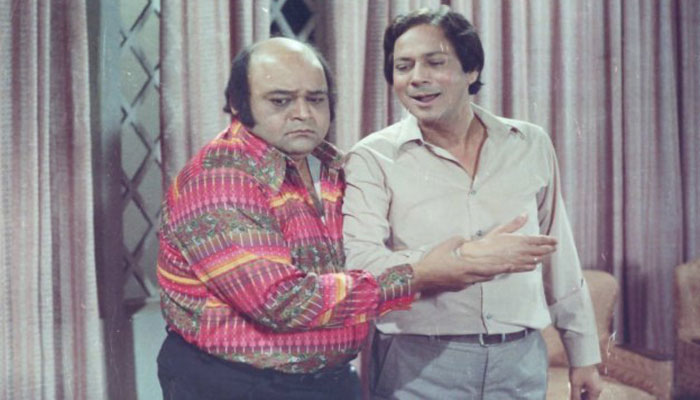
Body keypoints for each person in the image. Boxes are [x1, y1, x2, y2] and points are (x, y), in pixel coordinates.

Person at [155, 37, 547, 400]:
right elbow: (281, 302)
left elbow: (367, 258)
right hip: (235, 384)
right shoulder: (220, 179)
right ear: (239, 105)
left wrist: (463, 257)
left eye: (316, 99)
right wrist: (423, 274)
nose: (302, 113)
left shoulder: (334, 166)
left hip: (330, 379)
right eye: (280, 101)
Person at [343, 7, 603, 400]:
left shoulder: (529, 143)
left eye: (435, 62)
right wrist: (466, 257)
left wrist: (583, 354)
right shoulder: (371, 157)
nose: (417, 78)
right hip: (416, 364)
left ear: (471, 70)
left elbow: (557, 253)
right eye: (403, 66)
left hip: (520, 362)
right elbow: (362, 264)